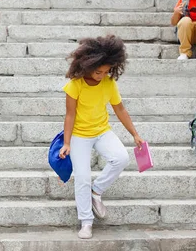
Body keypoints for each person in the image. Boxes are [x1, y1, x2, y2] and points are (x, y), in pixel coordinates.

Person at [58, 35, 145, 239]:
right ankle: (86, 221)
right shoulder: (75, 85)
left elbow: (120, 109)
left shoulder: (108, 83)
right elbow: (70, 115)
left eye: (106, 71)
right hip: (80, 135)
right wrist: (67, 143)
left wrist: (135, 134)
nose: (102, 75)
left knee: (121, 158)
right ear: (88, 65)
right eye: (98, 71)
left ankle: (96, 191)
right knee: (81, 177)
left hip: (102, 131)